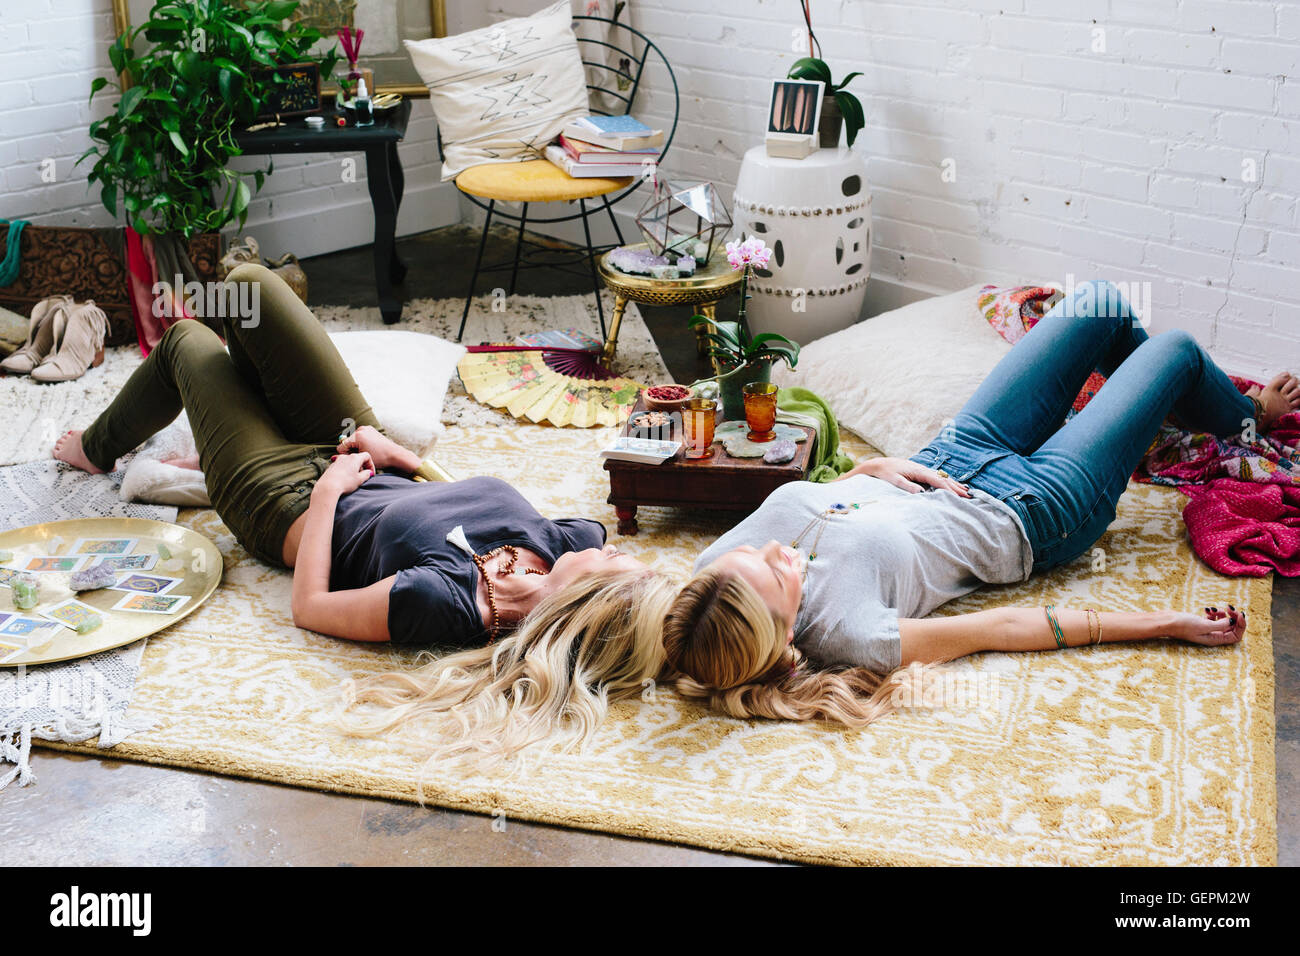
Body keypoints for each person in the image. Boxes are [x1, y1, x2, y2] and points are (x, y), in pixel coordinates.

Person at [55, 264, 677, 765]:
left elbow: (311, 608)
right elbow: (457, 506)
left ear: (591, 599)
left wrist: (327, 493)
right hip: (364, 453)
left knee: (188, 342)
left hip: (286, 500)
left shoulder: (450, 602)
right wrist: (397, 453)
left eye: (625, 567)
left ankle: (99, 447)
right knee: (249, 286)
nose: (621, 550)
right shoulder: (568, 540)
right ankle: (228, 425)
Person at [664, 279, 1298, 726]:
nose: (775, 549)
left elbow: (608, 596)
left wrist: (866, 468)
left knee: (1099, 302)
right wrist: (1168, 624)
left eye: (753, 552)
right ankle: (1246, 416)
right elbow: (1002, 630)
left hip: (955, 450)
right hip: (1033, 508)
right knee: (1177, 349)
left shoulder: (712, 581)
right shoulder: (853, 635)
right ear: (782, 639)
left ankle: (1159, 401)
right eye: (778, 574)